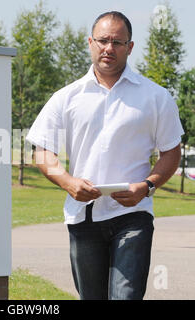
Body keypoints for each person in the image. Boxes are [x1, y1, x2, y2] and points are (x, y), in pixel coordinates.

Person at [26, 11, 184, 300]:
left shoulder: (156, 97)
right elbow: (43, 151)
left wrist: (147, 186)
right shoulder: (67, 97)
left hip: (133, 215)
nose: (109, 48)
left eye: (117, 42)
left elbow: (172, 151)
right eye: (102, 40)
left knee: (125, 296)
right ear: (90, 42)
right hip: (83, 217)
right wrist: (67, 182)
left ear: (130, 47)